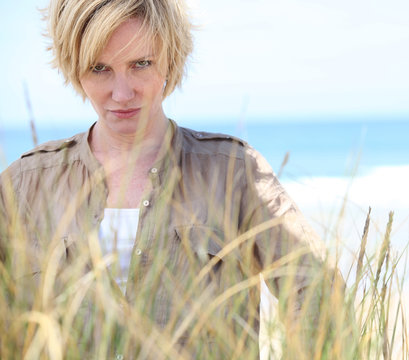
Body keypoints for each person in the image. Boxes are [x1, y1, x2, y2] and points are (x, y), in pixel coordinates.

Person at [0, 0, 346, 358]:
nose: (121, 93)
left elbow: (318, 291)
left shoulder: (232, 172)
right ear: (75, 68)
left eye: (141, 64)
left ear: (170, 59)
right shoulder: (26, 184)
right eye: (100, 68)